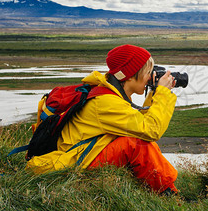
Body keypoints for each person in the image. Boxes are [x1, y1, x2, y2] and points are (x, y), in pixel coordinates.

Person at [27, 44, 178, 194]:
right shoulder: (106, 102)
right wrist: (163, 93)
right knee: (138, 145)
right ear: (130, 75)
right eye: (147, 72)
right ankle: (169, 195)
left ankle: (162, 189)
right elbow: (151, 131)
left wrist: (154, 92)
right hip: (76, 163)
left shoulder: (107, 92)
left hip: (87, 154)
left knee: (139, 140)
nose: (150, 76)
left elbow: (139, 126)